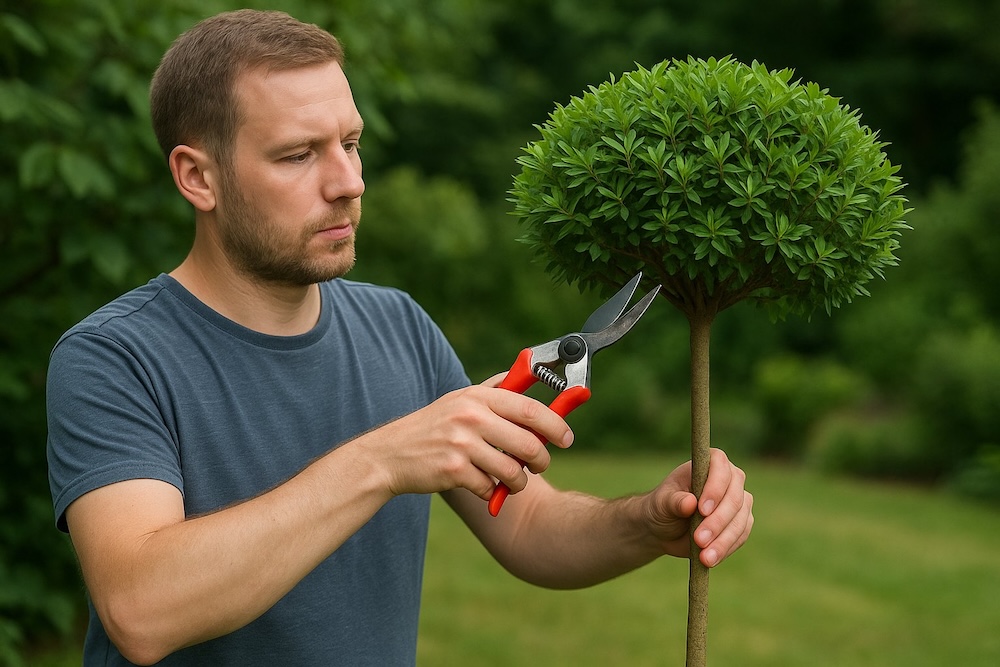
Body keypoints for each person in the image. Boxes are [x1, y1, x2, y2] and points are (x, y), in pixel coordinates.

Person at [46, 9, 754, 666]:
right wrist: (384, 459)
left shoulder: (398, 326)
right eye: (298, 155)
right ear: (197, 176)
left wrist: (647, 522)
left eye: (350, 144)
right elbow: (141, 608)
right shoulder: (113, 357)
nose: (349, 182)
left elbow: (527, 522)